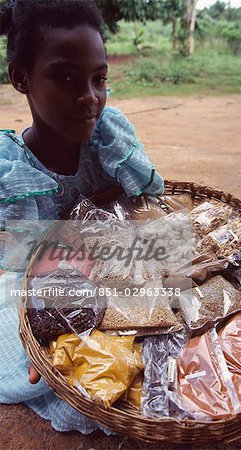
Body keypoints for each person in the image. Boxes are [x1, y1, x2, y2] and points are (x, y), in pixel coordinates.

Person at [0, 0, 163, 434]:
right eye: (65, 77)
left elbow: (146, 203)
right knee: (54, 363)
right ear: (20, 78)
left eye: (99, 79)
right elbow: (22, 267)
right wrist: (36, 326)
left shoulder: (106, 137)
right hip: (43, 282)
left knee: (171, 305)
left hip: (120, 269)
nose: (89, 97)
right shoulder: (15, 170)